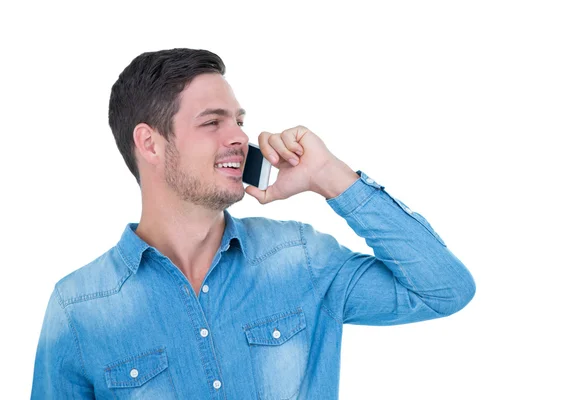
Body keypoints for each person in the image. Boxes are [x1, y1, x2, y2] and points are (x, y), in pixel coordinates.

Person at [31, 48, 475, 399]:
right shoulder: (79, 308)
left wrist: (331, 177)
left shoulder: (300, 258)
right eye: (213, 122)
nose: (240, 137)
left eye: (240, 121)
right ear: (149, 142)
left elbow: (444, 290)